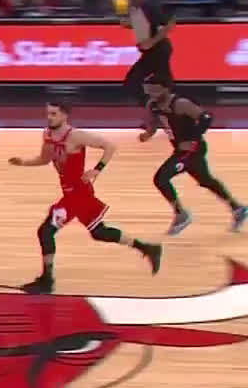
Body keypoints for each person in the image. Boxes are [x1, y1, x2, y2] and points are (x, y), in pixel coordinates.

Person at [8, 99, 163, 294]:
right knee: (99, 232)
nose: (49, 117)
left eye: (54, 114)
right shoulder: (47, 134)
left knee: (45, 231)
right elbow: (45, 159)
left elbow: (109, 146)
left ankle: (47, 281)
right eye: (48, 113)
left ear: (65, 115)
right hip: (72, 192)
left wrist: (97, 169)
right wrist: (23, 162)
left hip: (77, 195)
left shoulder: (75, 136)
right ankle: (148, 248)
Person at [141, 77, 247, 234]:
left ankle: (181, 214)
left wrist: (194, 139)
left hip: (191, 150)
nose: (151, 93)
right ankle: (237, 208)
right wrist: (147, 134)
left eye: (154, 89)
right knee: (206, 180)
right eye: (148, 90)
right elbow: (153, 124)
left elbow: (206, 117)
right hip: (181, 150)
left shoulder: (180, 103)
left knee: (161, 179)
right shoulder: (153, 105)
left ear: (165, 88)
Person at [122, 0, 175, 101]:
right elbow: (144, 25)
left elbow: (169, 24)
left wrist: (152, 42)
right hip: (152, 51)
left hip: (159, 49)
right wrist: (130, 24)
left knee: (133, 80)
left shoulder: (150, 7)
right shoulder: (134, 8)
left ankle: (152, 104)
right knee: (164, 80)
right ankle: (164, 103)